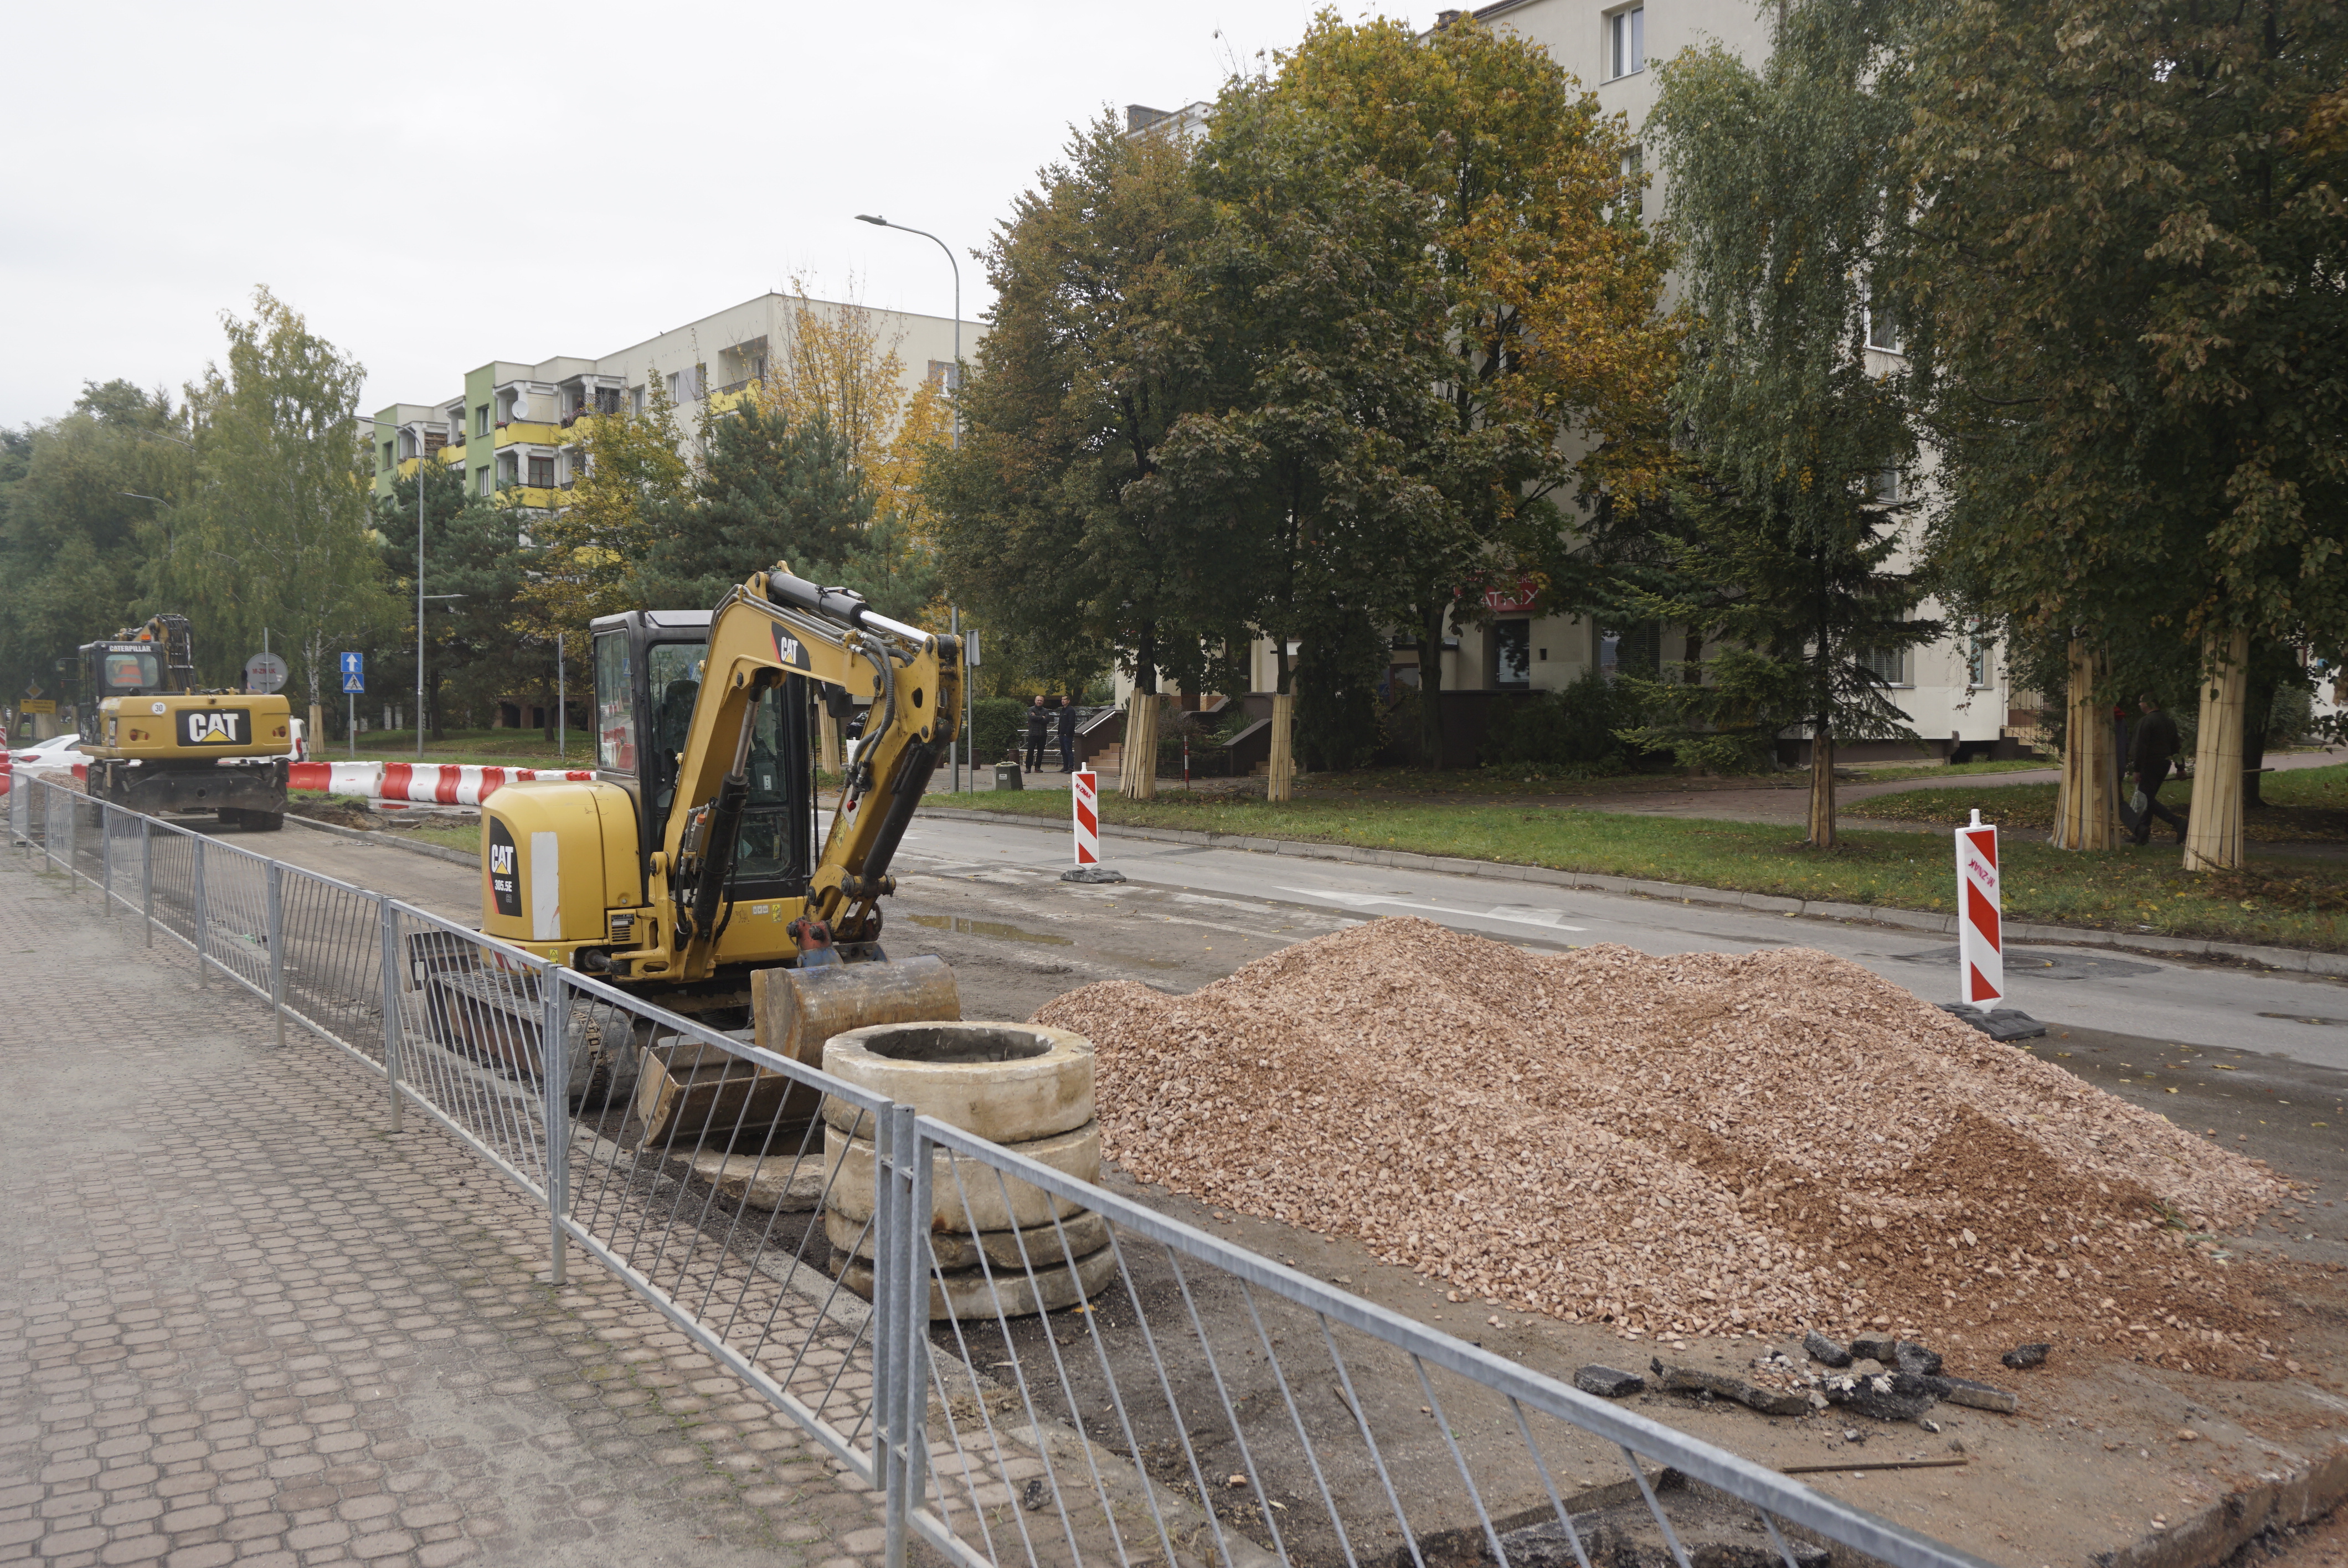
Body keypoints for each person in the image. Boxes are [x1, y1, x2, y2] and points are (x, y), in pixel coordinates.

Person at [2129, 693, 2187, 845]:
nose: (2139, 705)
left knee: (2145, 799)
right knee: (2148, 798)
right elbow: (2176, 745)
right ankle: (2142, 833)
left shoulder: (2146, 721)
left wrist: (2137, 769)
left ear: (2149, 702)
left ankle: (2178, 822)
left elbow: (2140, 747)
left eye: (2141, 702)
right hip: (2164, 764)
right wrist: (2180, 767)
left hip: (2149, 764)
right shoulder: (2169, 721)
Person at [1023, 693, 1049, 773]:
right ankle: (1028, 768)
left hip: (1043, 734)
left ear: (1043, 702)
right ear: (1035, 701)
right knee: (1030, 751)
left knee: (1040, 752)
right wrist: (1042, 717)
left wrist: (1037, 717)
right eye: (1038, 700)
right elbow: (1032, 718)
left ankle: (1038, 767)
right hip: (1033, 734)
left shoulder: (1046, 710)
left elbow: (1047, 720)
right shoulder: (1031, 709)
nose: (1039, 702)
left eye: (1041, 701)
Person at [1056, 694, 1079, 773]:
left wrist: (1067, 733)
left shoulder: (1070, 710)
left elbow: (1071, 723)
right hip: (1061, 734)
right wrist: (1059, 732)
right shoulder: (1062, 710)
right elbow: (1060, 722)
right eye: (1062, 699)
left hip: (1067, 735)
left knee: (1068, 750)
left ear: (1068, 701)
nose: (1063, 701)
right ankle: (1065, 766)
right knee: (1063, 751)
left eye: (1065, 699)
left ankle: (1071, 767)